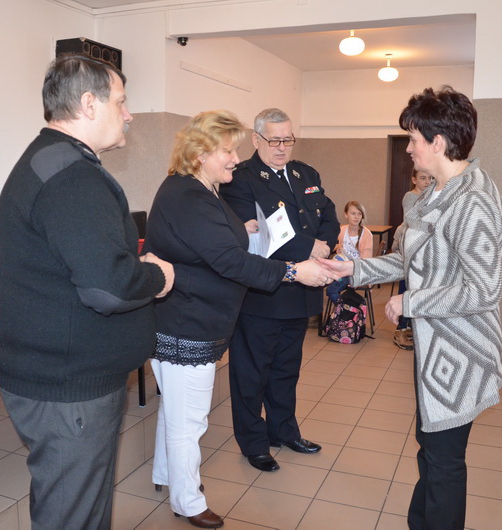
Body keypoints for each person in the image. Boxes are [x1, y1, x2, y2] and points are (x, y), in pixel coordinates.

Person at [0, 55, 174, 529]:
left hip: (61, 375)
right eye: (122, 102)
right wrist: (158, 277)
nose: (129, 114)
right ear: (89, 104)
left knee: (76, 505)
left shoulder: (51, 159)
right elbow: (108, 288)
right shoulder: (72, 176)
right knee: (73, 514)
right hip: (68, 385)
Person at [317, 86, 502, 529]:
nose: (408, 148)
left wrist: (411, 300)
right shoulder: (435, 193)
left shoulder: (474, 200)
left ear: (437, 142)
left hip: (461, 354)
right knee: (430, 448)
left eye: (413, 139)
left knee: (444, 461)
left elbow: (484, 290)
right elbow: (406, 258)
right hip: (436, 351)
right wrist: (352, 268)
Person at [144, 110, 332, 528]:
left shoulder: (200, 189)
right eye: (227, 150)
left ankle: (166, 475)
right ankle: (188, 501)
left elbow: (214, 243)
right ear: (200, 153)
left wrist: (245, 232)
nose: (234, 158)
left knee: (175, 410)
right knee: (189, 420)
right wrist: (292, 271)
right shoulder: (189, 196)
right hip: (187, 321)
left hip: (193, 317)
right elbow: (229, 260)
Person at [219, 108, 340, 472]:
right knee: (251, 374)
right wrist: (311, 248)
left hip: (301, 292)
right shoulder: (240, 179)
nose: (282, 147)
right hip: (263, 294)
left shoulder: (306, 173)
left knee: (287, 370)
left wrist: (324, 244)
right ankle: (253, 443)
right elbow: (260, 236)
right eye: (274, 140)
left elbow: (328, 214)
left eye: (288, 139)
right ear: (256, 139)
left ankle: (284, 431)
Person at [391, 169, 434, 349]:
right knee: (406, 287)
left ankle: (412, 327)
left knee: (419, 289)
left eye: (430, 178)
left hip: (424, 249)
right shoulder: (410, 196)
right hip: (409, 248)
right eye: (423, 178)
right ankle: (400, 329)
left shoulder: (431, 196)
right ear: (414, 180)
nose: (427, 182)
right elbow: (414, 222)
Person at [325, 200, 372, 302]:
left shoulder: (366, 234)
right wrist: (338, 248)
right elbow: (336, 246)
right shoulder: (342, 230)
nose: (356, 217)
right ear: (346, 214)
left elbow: (366, 262)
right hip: (341, 269)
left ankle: (345, 307)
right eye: (353, 213)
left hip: (355, 272)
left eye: (359, 214)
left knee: (331, 290)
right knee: (321, 279)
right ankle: (345, 306)